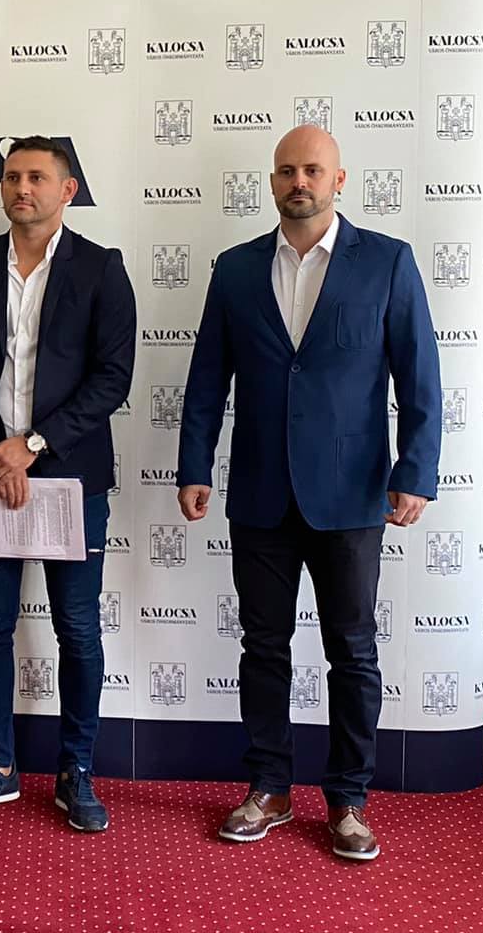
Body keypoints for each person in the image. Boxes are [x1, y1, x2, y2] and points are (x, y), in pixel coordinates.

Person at [176, 126, 439, 862]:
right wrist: (194, 465)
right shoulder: (235, 269)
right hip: (260, 490)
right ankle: (269, 788)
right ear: (272, 182)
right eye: (288, 171)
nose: (300, 181)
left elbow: (420, 377)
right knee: (263, 647)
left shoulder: (387, 261)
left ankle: (349, 798)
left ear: (339, 180)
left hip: (352, 496)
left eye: (313, 170)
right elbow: (206, 380)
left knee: (352, 651)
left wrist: (416, 472)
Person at [0, 136, 135, 832]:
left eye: (37, 177)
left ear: (67, 190)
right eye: (13, 176)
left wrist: (32, 446)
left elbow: (112, 378)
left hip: (71, 475)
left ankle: (77, 771)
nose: (22, 187)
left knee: (77, 627)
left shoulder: (102, 269)